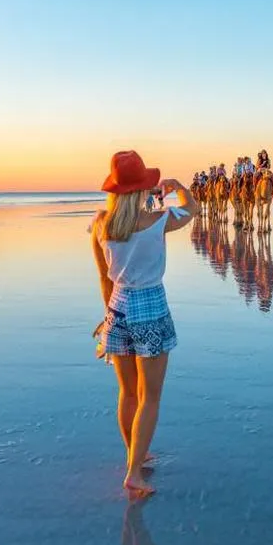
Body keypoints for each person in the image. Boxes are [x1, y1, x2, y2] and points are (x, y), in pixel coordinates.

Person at [90, 150, 199, 496]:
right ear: (141, 189)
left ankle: (134, 454)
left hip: (118, 307)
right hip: (150, 306)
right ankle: (134, 472)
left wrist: (106, 318)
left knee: (128, 392)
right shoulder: (158, 220)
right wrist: (180, 186)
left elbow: (104, 280)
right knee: (151, 398)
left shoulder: (100, 224)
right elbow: (193, 209)